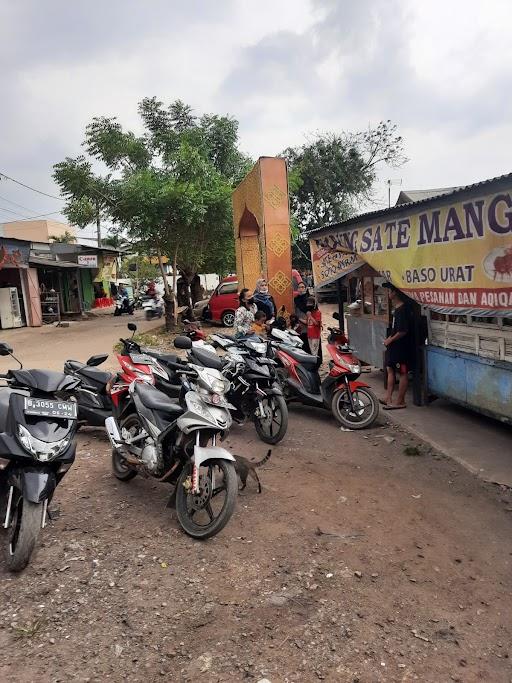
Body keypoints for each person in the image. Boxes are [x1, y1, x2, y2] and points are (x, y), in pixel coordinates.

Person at [381, 283, 412, 410]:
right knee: (390, 369)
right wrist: (389, 339)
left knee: (403, 372)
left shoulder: (403, 310)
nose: (388, 293)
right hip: (394, 346)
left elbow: (403, 331)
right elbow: (396, 329)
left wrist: (391, 339)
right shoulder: (396, 309)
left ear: (394, 293)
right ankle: (388, 397)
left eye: (389, 291)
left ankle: (400, 401)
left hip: (401, 347)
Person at [294, 281, 310, 352]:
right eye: (299, 287)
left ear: (306, 288)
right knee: (303, 345)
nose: (301, 289)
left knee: (312, 346)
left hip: (310, 325)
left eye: (303, 287)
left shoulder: (310, 299)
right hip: (300, 326)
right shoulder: (296, 299)